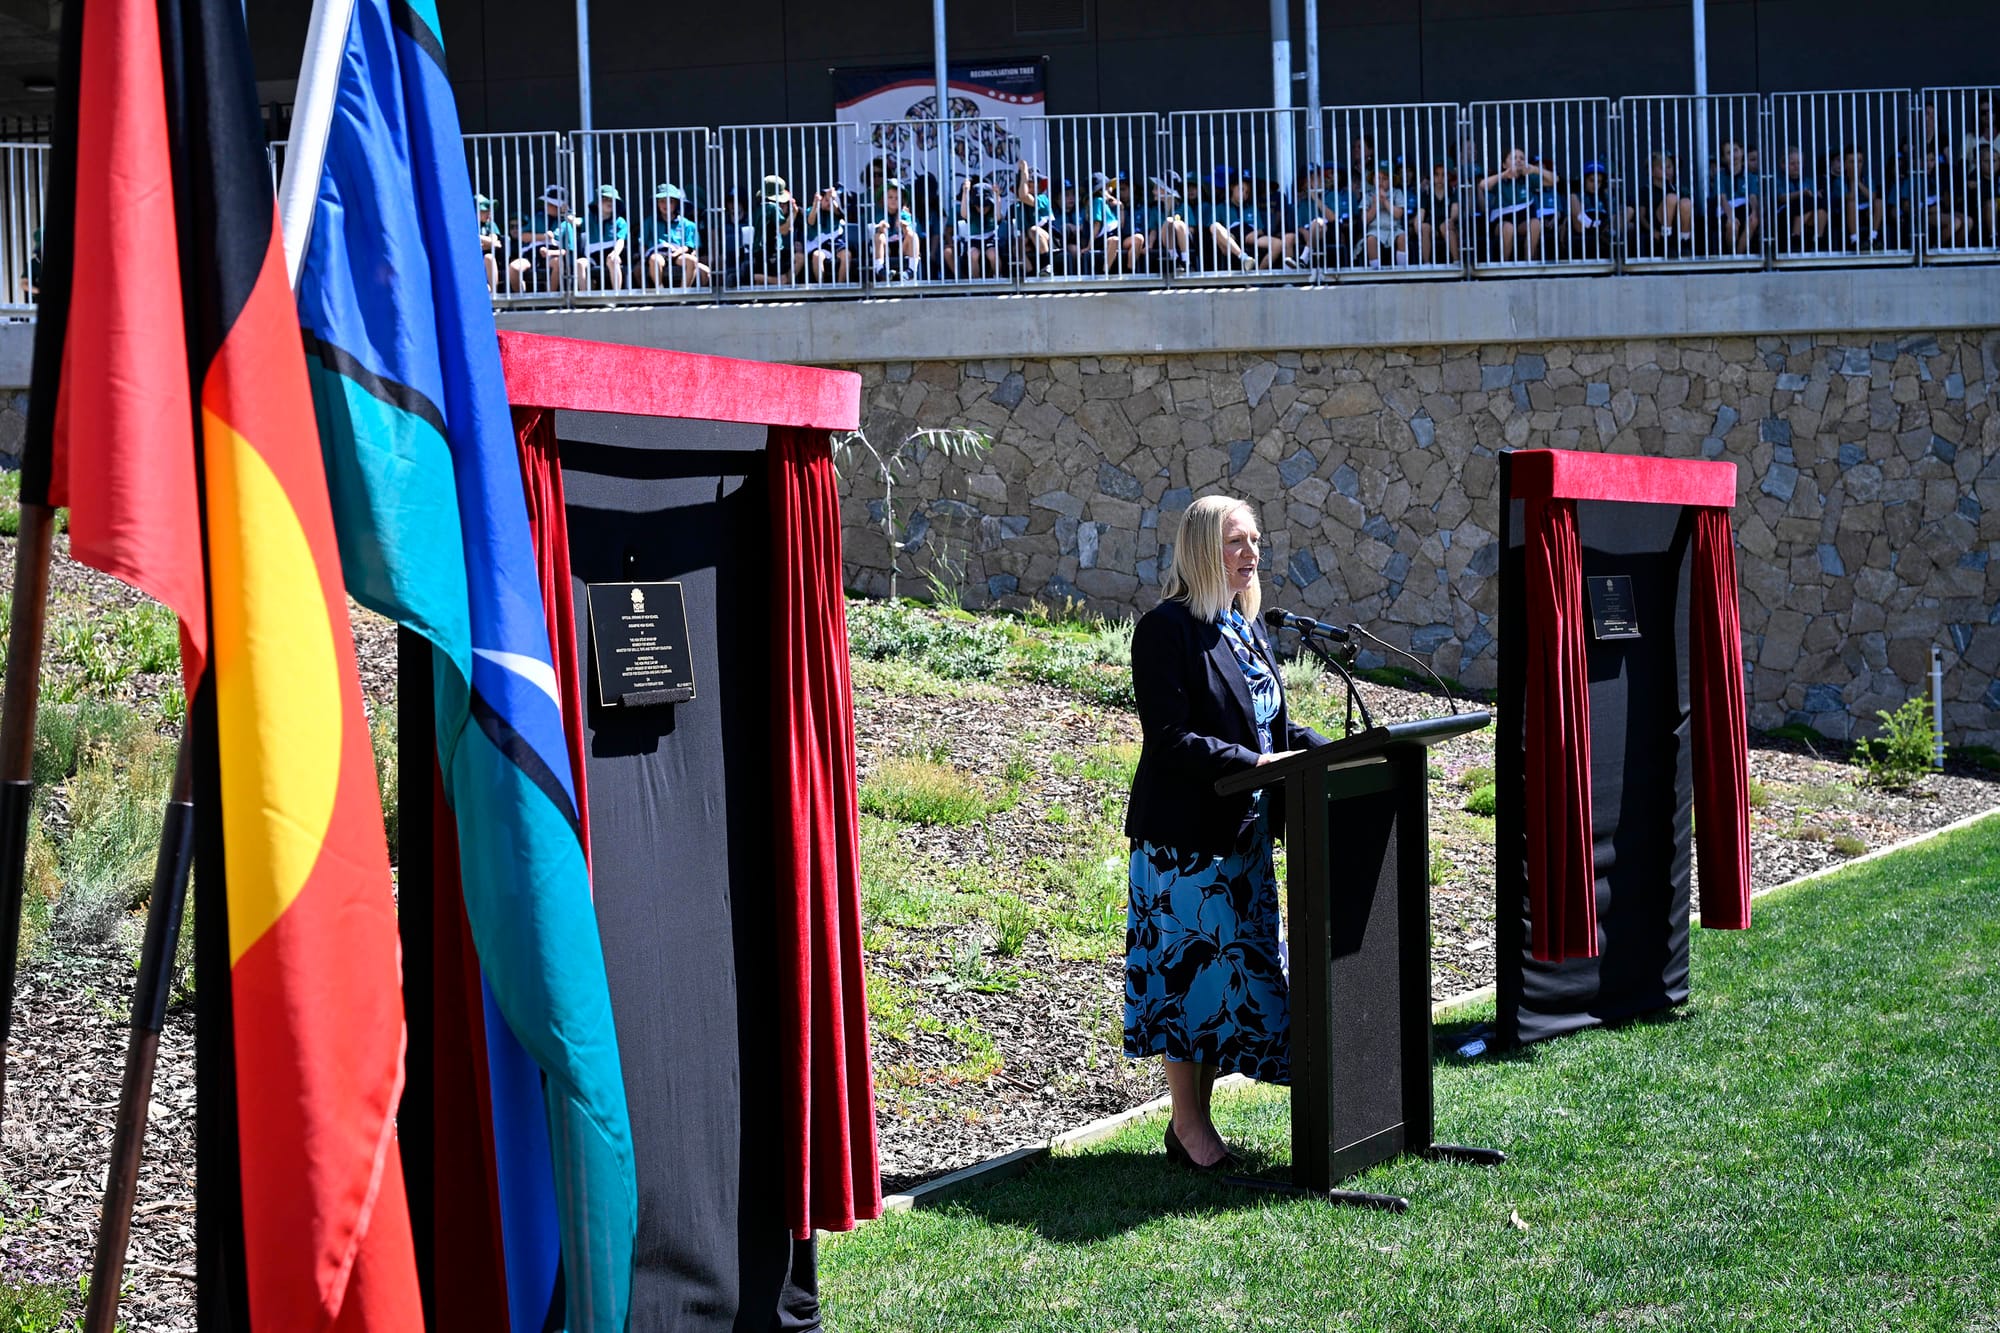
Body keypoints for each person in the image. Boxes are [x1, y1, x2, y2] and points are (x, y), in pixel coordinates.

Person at [1124, 494, 1331, 1170]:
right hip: (1185, 845)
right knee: (1188, 983)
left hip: (1242, 839)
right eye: (1236, 541)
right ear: (1201, 549)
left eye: (1255, 540)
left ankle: (1192, 1125)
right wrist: (1259, 763)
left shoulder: (1245, 627)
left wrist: (1331, 750)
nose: (1252, 553)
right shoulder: (1167, 629)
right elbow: (1170, 740)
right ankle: (1188, 1126)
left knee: (1219, 986)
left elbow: (1269, 727)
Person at [1477, 146, 1555, 262]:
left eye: (1522, 158)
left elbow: (1554, 180)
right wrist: (1504, 174)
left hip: (1523, 220)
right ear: (1504, 164)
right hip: (1502, 221)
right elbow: (1482, 185)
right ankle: (1504, 266)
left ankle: (1528, 263)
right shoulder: (1501, 181)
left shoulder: (1529, 179)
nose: (1518, 160)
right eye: (1514, 158)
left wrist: (1534, 169)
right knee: (1508, 228)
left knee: (1535, 223)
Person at [508, 184, 575, 292]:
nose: (546, 205)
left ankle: (551, 298)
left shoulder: (566, 224)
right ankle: (521, 300)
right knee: (513, 268)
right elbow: (523, 236)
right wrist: (543, 237)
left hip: (553, 256)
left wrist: (550, 253)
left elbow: (568, 250)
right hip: (532, 255)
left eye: (550, 203)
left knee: (558, 263)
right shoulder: (538, 217)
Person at [644, 183, 708, 290]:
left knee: (692, 260)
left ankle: (683, 293)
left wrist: (676, 253)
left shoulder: (688, 224)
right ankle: (661, 292)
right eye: (662, 201)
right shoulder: (649, 222)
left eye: (670, 201)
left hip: (679, 254)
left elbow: (689, 246)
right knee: (655, 260)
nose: (666, 205)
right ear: (657, 204)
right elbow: (643, 243)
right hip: (657, 254)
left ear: (677, 204)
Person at [1709, 140, 1761, 257]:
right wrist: (1730, 215)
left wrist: (1754, 212)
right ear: (1723, 158)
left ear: (1742, 152)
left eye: (1736, 150)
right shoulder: (1720, 176)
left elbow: (1753, 197)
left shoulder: (1750, 176)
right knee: (1731, 225)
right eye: (1728, 153)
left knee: (1753, 221)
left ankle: (1737, 256)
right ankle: (1731, 254)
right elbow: (1722, 199)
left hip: (1744, 208)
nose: (1734, 155)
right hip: (1726, 209)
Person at [1358, 159, 1409, 268]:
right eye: (1378, 178)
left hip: (1394, 229)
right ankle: (1376, 271)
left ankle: (1402, 271)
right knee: (1370, 240)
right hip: (1375, 230)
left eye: (1385, 178)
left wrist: (1385, 201)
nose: (1381, 181)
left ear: (1392, 180)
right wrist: (1375, 204)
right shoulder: (1368, 195)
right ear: (1373, 179)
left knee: (1402, 237)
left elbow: (1399, 214)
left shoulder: (1397, 193)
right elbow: (1365, 220)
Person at [578, 183, 628, 292]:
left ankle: (616, 296)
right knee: (580, 263)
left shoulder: (620, 221)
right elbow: (577, 222)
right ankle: (585, 299)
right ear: (597, 203)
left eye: (612, 200)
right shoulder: (590, 218)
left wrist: (615, 253)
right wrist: (567, 215)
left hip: (611, 253)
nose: (609, 202)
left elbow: (621, 240)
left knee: (613, 260)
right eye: (605, 199)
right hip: (593, 257)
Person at [871, 177, 922, 282]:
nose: (893, 200)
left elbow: (909, 233)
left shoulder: (905, 214)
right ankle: (880, 270)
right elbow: (877, 229)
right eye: (890, 197)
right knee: (878, 237)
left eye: (897, 198)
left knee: (913, 236)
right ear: (883, 199)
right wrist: (882, 227)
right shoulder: (879, 213)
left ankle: (911, 270)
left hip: (902, 248)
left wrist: (904, 227)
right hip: (886, 248)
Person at [800, 184, 850, 285]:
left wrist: (834, 202)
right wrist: (815, 205)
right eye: (826, 200)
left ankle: (840, 286)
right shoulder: (812, 209)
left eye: (830, 200)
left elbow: (841, 213)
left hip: (835, 243)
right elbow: (810, 221)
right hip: (819, 246)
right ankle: (822, 287)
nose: (828, 203)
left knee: (847, 254)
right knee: (816, 256)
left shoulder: (836, 211)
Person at [752, 174, 797, 284]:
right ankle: (749, 276)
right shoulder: (773, 208)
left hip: (759, 250)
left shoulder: (759, 208)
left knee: (763, 280)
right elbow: (784, 230)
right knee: (782, 280)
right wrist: (794, 213)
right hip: (771, 250)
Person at [1143, 171, 1192, 273]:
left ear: (1167, 190)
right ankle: (1175, 258)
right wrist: (1149, 245)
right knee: (1168, 221)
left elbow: (1192, 229)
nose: (1153, 191)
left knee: (1177, 223)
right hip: (1164, 241)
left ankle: (1185, 260)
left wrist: (1179, 229)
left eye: (1157, 188)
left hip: (1185, 242)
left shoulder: (1184, 207)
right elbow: (1153, 231)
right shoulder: (1155, 209)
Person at [475, 194, 503, 293]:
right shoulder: (469, 224)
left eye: (489, 210)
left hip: (486, 261)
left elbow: (495, 243)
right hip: (472, 260)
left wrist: (476, 237)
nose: (488, 213)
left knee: (489, 257)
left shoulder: (490, 224)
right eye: (484, 211)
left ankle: (494, 295)